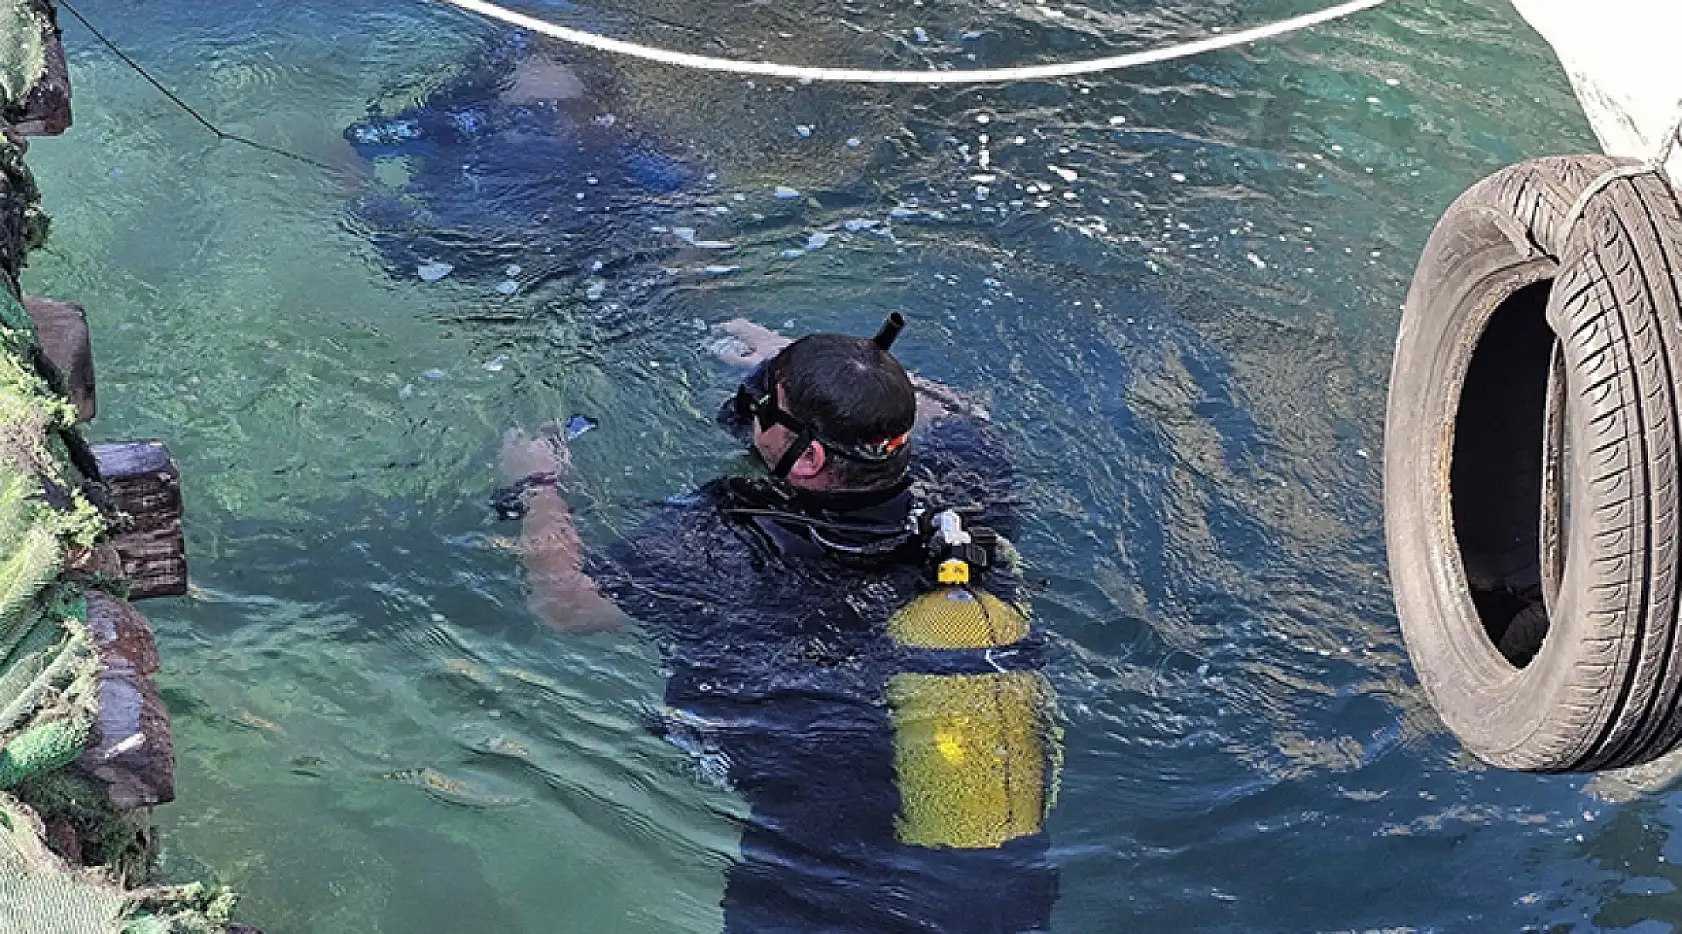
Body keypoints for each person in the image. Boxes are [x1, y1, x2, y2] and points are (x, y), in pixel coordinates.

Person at [499, 316, 1059, 934]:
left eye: (767, 406)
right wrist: (831, 376)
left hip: (820, 890)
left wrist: (536, 484)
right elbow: (960, 414)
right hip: (996, 890)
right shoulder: (969, 489)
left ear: (809, 457)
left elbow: (567, 606)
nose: (755, 408)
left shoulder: (725, 538)